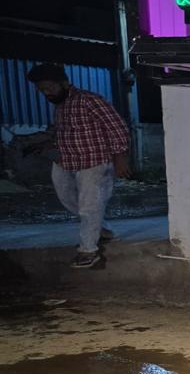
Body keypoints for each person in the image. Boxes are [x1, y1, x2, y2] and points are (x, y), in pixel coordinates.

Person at [27, 62, 131, 268]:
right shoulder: (60, 106)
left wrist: (120, 157)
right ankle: (103, 230)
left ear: (64, 83)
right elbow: (65, 133)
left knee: (89, 205)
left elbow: (117, 127)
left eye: (50, 87)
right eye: (42, 90)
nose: (47, 93)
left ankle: (88, 250)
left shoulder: (89, 100)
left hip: (95, 160)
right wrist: (47, 144)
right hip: (66, 160)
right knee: (67, 198)